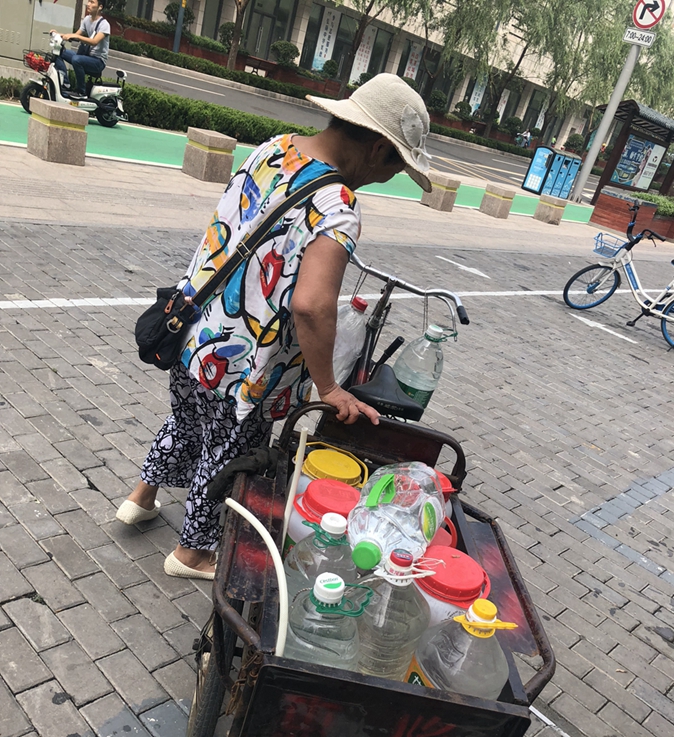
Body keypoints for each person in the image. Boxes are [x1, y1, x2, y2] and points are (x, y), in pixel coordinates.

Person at [116, 73, 433, 581]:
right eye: (396, 167)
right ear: (378, 149)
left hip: (192, 332)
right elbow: (311, 306)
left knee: (186, 422)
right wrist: (328, 387)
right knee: (228, 453)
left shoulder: (274, 148)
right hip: (246, 366)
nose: (388, 178)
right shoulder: (338, 205)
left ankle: (141, 497)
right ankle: (192, 553)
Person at [54, 0, 110, 97]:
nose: (88, 4)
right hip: (86, 57)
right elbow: (75, 35)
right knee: (58, 51)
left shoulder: (104, 25)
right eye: (88, 1)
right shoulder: (87, 19)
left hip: (98, 62)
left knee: (76, 59)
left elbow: (94, 41)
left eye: (92, 2)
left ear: (100, 7)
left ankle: (81, 92)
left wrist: (78, 37)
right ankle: (66, 84)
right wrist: (58, 34)